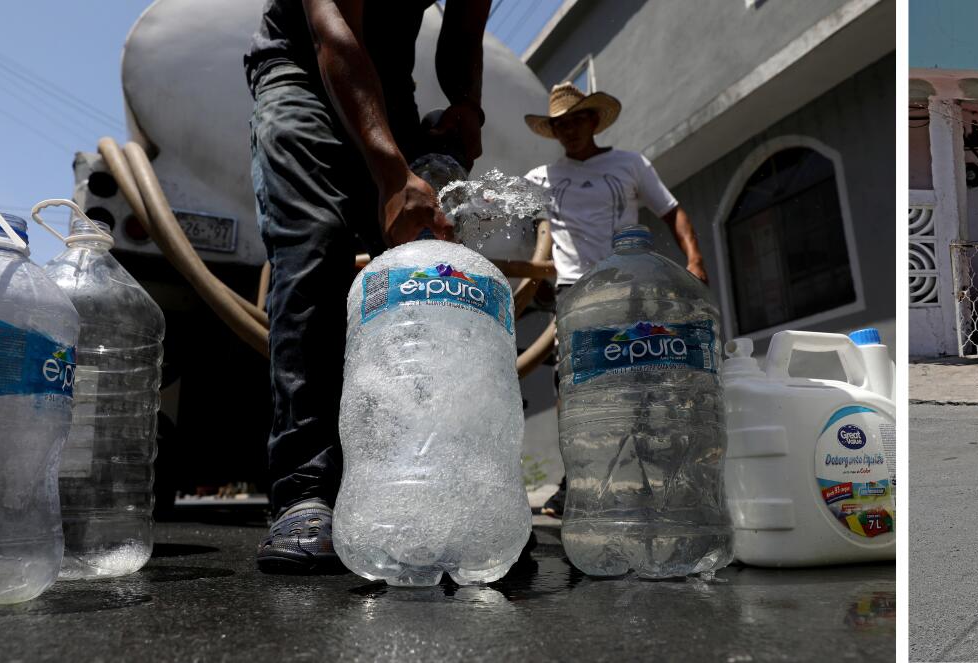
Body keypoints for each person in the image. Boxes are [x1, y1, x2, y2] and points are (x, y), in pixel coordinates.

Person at [246, 0, 490, 573]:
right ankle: (306, 490)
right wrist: (390, 172)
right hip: (304, 67)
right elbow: (334, 33)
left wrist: (466, 106)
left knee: (415, 268)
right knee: (318, 243)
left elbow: (463, 31)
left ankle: (411, 485)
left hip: (386, 84)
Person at [518, 82, 707, 516]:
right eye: (559, 125)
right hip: (572, 292)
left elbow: (671, 210)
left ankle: (653, 477)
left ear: (593, 120)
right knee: (574, 381)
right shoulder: (541, 179)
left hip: (628, 282)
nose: (568, 131)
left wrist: (694, 258)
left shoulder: (630, 165)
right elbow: (513, 218)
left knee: (638, 377)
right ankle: (577, 484)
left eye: (576, 120)